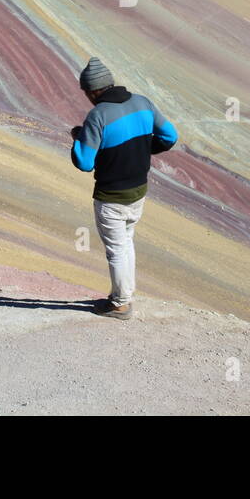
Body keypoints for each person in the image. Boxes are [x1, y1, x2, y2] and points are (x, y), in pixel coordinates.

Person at [70, 57, 178, 319]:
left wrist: (78, 138)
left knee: (116, 249)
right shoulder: (142, 103)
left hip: (111, 196)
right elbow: (170, 136)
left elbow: (84, 162)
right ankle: (124, 294)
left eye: (86, 92)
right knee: (126, 242)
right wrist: (141, 150)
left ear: (93, 90)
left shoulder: (98, 116)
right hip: (139, 191)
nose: (87, 97)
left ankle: (120, 304)